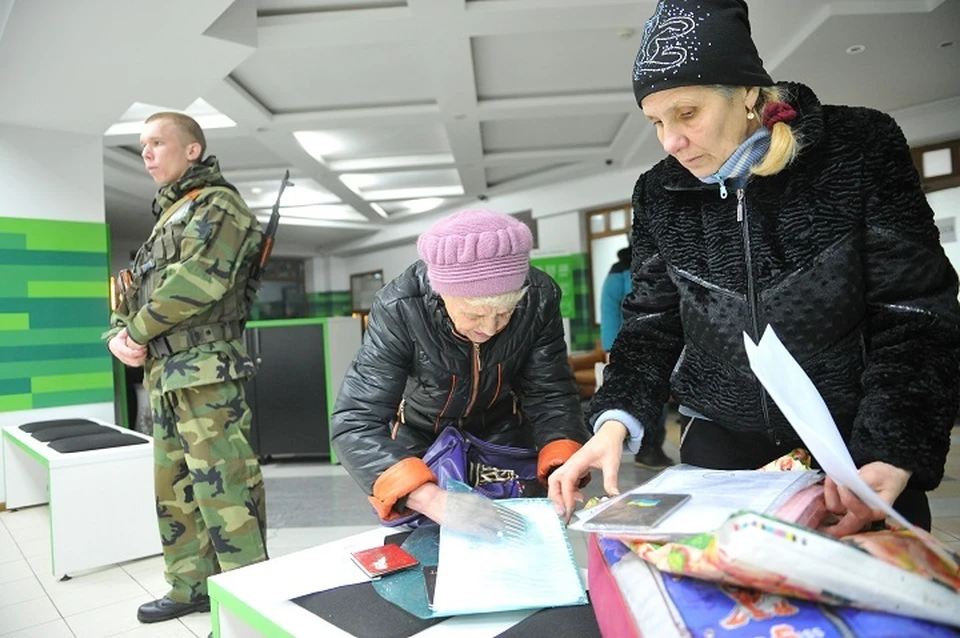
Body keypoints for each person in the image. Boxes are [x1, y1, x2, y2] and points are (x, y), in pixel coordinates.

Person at [548, 0, 960, 539]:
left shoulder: (859, 149)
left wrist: (891, 446)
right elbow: (649, 325)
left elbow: (916, 313)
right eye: (655, 121)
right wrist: (615, 420)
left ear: (746, 93)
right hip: (720, 450)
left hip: (852, 446)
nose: (670, 141)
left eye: (687, 113)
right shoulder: (659, 192)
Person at [331, 209, 591, 532]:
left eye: (505, 313)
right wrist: (431, 499)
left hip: (503, 440)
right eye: (475, 314)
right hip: (423, 447)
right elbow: (355, 421)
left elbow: (551, 394)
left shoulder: (539, 298)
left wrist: (562, 466)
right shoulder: (400, 308)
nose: (492, 327)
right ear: (441, 293)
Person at [106, 112, 268, 624]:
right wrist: (117, 334)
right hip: (166, 373)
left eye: (157, 142)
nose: (147, 153)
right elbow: (134, 286)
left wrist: (137, 331)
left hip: (208, 374)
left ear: (192, 149)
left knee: (226, 488)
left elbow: (200, 279)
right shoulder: (165, 219)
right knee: (173, 489)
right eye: (141, 145)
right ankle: (189, 586)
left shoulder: (221, 205)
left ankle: (250, 596)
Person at [600, 246, 673, 470]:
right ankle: (646, 448)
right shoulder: (618, 273)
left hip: (663, 341)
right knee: (644, 397)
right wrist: (611, 348)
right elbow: (609, 312)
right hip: (631, 346)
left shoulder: (661, 262)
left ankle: (652, 446)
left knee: (660, 397)